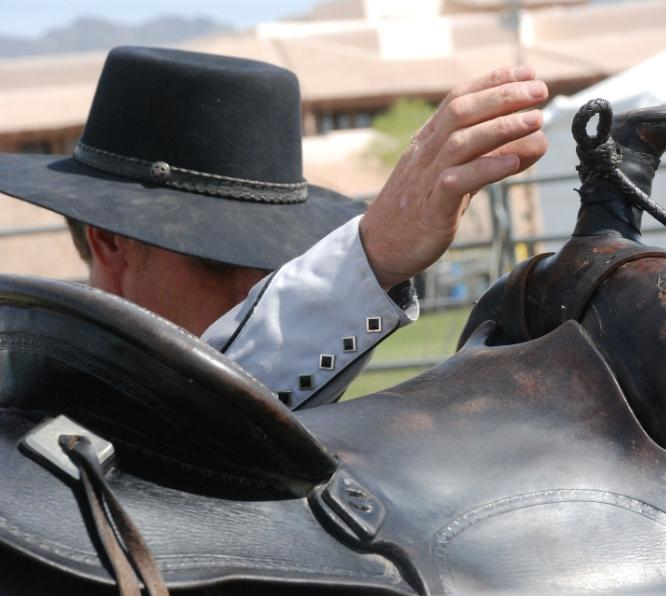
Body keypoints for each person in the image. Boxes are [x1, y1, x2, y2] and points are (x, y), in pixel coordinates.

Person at [0, 46, 548, 407]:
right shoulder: (34, 402)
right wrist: (371, 255)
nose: (257, 290)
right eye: (217, 259)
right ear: (110, 243)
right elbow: (169, 423)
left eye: (280, 259)